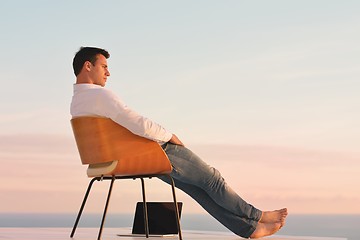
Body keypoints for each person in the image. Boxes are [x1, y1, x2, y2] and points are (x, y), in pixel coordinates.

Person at [70, 46, 288, 239]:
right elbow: (139, 124)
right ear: (88, 66)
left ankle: (249, 229)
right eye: (104, 66)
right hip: (151, 153)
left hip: (124, 158)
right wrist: (169, 136)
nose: (108, 72)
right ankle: (256, 215)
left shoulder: (77, 103)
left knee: (198, 189)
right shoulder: (101, 96)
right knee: (213, 180)